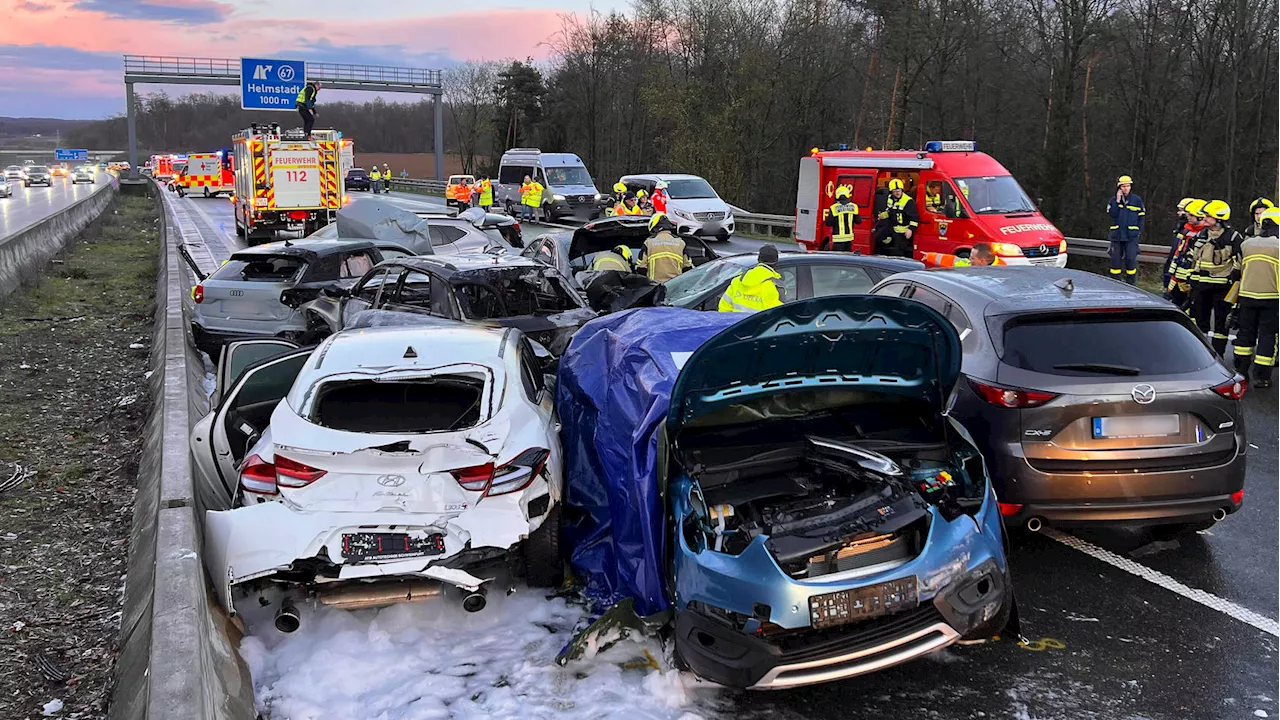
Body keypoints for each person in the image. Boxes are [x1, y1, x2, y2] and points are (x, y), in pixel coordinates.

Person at [1233, 207, 1280, 387]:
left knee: (1245, 335)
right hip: (1272, 298)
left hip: (1246, 297)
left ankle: (1240, 371)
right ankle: (1262, 377)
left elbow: (1236, 272)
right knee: (1268, 336)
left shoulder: (1247, 244)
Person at [1189, 199, 1242, 356]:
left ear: (1219, 219)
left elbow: (1240, 262)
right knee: (1200, 322)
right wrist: (1191, 278)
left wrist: (1234, 279)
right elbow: (1194, 259)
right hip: (1201, 286)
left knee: (1221, 326)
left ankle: (1218, 356)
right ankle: (1201, 356)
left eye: (1208, 216)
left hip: (1222, 287)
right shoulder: (1201, 234)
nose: (1204, 218)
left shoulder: (1233, 237)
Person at [1106, 174, 1146, 285]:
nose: (1126, 188)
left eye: (1128, 186)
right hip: (1117, 236)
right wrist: (1118, 201)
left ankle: (1131, 285)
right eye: (1123, 186)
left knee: (1130, 260)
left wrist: (1138, 231)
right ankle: (1115, 284)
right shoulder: (1113, 200)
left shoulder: (1137, 200)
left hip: (1131, 236)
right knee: (1115, 262)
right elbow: (1112, 214)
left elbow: (1141, 217)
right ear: (1119, 187)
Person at [720, 244, 783, 313]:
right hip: (757, 323)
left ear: (758, 259)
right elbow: (776, 314)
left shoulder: (737, 280)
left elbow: (724, 308)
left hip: (736, 323)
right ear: (776, 262)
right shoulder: (774, 286)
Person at [1170, 199, 1208, 307]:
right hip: (1178, 274)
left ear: (1200, 216)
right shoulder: (1186, 230)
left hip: (1193, 278)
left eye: (1191, 215)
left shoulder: (1204, 234)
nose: (1188, 217)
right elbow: (1179, 251)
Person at [1163, 198, 1199, 302]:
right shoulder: (1184, 228)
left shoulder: (1191, 230)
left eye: (1181, 210)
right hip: (1176, 272)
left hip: (1185, 275)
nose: (1179, 213)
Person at [641, 213, 692, 282]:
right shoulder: (680, 242)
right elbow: (688, 267)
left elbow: (641, 268)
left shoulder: (649, 243)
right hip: (676, 286)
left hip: (655, 286)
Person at [874, 178, 918, 257]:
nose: (897, 193)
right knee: (878, 237)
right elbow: (890, 211)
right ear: (891, 192)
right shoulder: (890, 198)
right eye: (895, 191)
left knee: (898, 251)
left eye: (899, 191)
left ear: (902, 190)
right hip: (892, 227)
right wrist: (882, 216)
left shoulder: (908, 201)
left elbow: (914, 218)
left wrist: (910, 230)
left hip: (902, 230)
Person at [823, 184, 861, 252]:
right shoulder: (854, 207)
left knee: (837, 260)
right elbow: (858, 221)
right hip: (849, 240)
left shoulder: (834, 208)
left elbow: (828, 223)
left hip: (838, 240)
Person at [921, 242, 1007, 267]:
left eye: (972, 258)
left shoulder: (1001, 272)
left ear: (982, 261)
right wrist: (930, 256)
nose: (969, 260)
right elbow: (952, 261)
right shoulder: (969, 264)